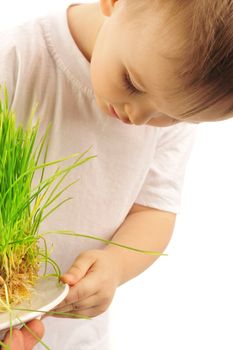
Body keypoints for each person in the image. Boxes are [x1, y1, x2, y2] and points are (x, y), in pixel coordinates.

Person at [0, 0, 232, 349]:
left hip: (78, 338)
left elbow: (153, 211)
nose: (138, 116)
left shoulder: (174, 100)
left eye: (169, 115)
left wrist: (116, 264)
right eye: (133, 82)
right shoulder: (17, 56)